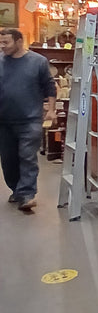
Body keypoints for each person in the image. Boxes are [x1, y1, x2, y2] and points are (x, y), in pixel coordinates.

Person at [0, 28, 57, 212]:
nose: (3, 46)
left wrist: (52, 110)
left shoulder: (38, 62)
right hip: (4, 121)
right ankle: (17, 189)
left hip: (30, 119)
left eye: (6, 42)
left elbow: (50, 87)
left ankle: (27, 194)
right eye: (1, 43)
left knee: (27, 157)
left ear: (18, 41)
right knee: (8, 160)